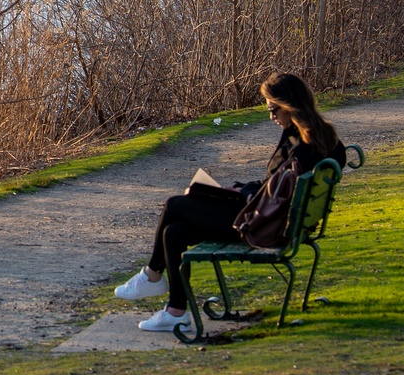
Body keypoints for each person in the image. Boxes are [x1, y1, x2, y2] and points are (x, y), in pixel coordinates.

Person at [113, 73, 344, 333]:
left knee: (175, 205)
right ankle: (175, 312)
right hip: (278, 220)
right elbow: (277, 186)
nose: (272, 117)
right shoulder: (324, 139)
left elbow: (275, 193)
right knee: (174, 231)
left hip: (263, 226)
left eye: (273, 109)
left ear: (289, 104)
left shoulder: (300, 146)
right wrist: (240, 189)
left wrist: (243, 194)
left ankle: (152, 275)